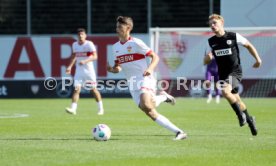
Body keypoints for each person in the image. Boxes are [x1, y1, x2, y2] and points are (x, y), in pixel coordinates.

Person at [107, 16, 187, 140]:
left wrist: (149, 69)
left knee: (146, 104)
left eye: (119, 26)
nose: (116, 28)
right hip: (132, 83)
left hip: (144, 78)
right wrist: (112, 70)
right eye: (117, 26)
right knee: (148, 109)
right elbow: (118, 68)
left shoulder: (136, 43)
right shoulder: (116, 47)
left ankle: (179, 132)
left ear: (128, 28)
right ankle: (165, 99)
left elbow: (155, 57)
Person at [204, 14, 262, 136]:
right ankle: (250, 120)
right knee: (236, 99)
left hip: (235, 71)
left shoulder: (233, 36)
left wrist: (258, 60)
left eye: (214, 23)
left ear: (222, 23)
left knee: (225, 91)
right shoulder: (211, 42)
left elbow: (248, 45)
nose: (212, 26)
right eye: (210, 24)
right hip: (223, 75)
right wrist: (207, 58)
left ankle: (240, 116)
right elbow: (205, 62)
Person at [65, 28, 104, 115]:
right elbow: (74, 56)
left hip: (89, 72)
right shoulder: (75, 44)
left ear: (85, 35)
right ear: (77, 36)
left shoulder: (89, 44)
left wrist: (85, 61)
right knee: (76, 90)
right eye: (79, 35)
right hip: (79, 71)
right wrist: (70, 66)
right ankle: (73, 109)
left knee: (93, 90)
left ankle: (101, 109)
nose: (80, 36)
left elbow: (95, 56)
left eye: (82, 34)